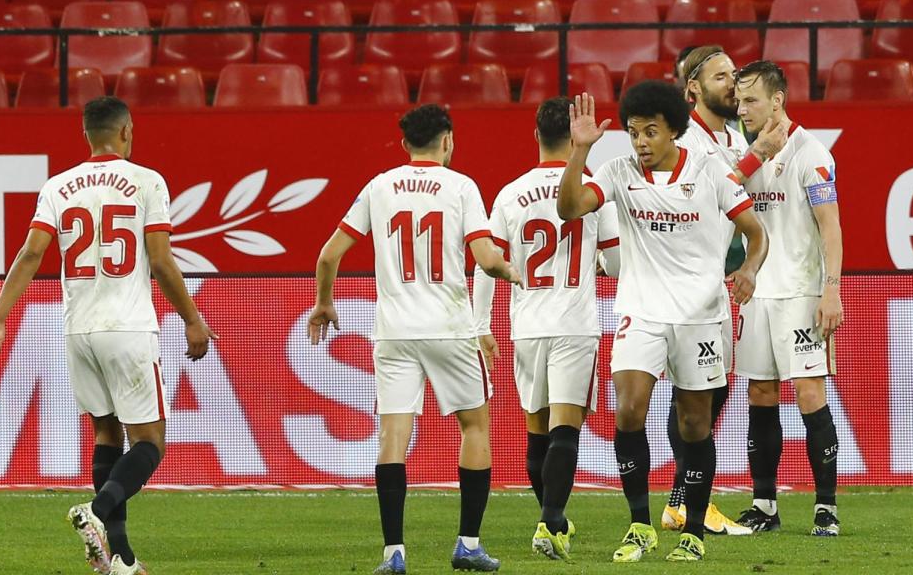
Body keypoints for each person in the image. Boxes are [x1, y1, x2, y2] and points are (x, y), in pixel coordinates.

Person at [0, 96, 216, 575]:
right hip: (127, 327)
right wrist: (192, 318)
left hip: (78, 329)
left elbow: (30, 254)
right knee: (150, 442)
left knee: (107, 433)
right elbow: (162, 261)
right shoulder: (147, 181)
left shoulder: (59, 186)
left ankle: (122, 560)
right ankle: (97, 514)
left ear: (85, 134)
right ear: (126, 130)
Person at [557, 84, 768, 562]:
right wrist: (581, 150)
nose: (641, 143)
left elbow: (756, 233)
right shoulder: (616, 172)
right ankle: (639, 525)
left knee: (695, 424)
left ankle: (692, 529)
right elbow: (568, 208)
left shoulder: (709, 170)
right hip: (642, 312)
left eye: (650, 132)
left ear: (675, 129)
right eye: (633, 133)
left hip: (700, 316)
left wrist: (749, 269)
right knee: (629, 411)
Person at [307, 104, 521, 574]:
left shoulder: (379, 186)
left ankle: (394, 553)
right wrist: (510, 270)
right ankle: (467, 544)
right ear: (448, 140)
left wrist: (325, 303)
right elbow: (485, 258)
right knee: (475, 428)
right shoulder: (461, 186)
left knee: (393, 436)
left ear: (405, 144)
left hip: (395, 332)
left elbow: (328, 255)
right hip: (449, 328)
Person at [472, 96, 620, 561]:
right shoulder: (594, 189)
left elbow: (485, 262)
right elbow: (615, 262)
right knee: (566, 430)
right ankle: (550, 522)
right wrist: (595, 260)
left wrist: (480, 323)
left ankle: (551, 520)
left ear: (535, 136)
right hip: (575, 323)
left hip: (527, 324)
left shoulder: (510, 194)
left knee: (537, 433)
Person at [661, 45, 786, 537]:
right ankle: (693, 504)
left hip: (721, 279)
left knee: (713, 392)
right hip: (690, 279)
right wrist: (759, 155)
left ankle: (682, 502)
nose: (733, 83)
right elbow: (700, 195)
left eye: (735, 74)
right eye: (720, 76)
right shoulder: (686, 138)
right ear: (693, 88)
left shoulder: (731, 136)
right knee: (696, 394)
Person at [732, 61, 844, 537]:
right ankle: (765, 505)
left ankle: (826, 507)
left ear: (777, 100)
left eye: (751, 100)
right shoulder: (744, 152)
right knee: (760, 392)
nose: (743, 109)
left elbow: (830, 226)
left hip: (799, 292)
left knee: (808, 393)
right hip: (757, 292)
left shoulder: (811, 152)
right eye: (738, 101)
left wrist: (831, 289)